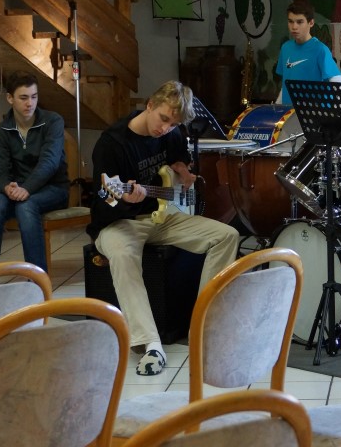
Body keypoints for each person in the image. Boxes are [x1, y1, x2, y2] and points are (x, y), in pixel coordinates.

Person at [89, 81, 241, 376]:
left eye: (173, 124)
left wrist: (182, 169)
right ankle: (150, 344)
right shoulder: (112, 144)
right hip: (119, 222)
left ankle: (204, 326)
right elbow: (104, 201)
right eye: (163, 119)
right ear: (149, 105)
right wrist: (127, 198)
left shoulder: (171, 133)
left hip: (163, 217)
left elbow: (178, 157)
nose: (166, 128)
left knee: (227, 235)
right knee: (122, 254)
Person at [0, 71, 69, 274]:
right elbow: (0, 171)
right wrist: (7, 187)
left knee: (26, 206)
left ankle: (37, 279)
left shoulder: (53, 121)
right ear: (10, 98)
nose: (30, 103)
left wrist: (26, 189)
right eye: (23, 98)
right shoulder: (2, 130)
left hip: (53, 189)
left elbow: (50, 163)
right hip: (18, 190)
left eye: (34, 97)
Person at [275, 1, 341, 106]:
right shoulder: (285, 48)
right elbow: (285, 85)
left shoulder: (320, 50)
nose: (294, 27)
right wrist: (276, 106)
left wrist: (328, 112)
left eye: (299, 22)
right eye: (290, 21)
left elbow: (339, 86)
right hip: (289, 112)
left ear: (311, 23)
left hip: (313, 113)